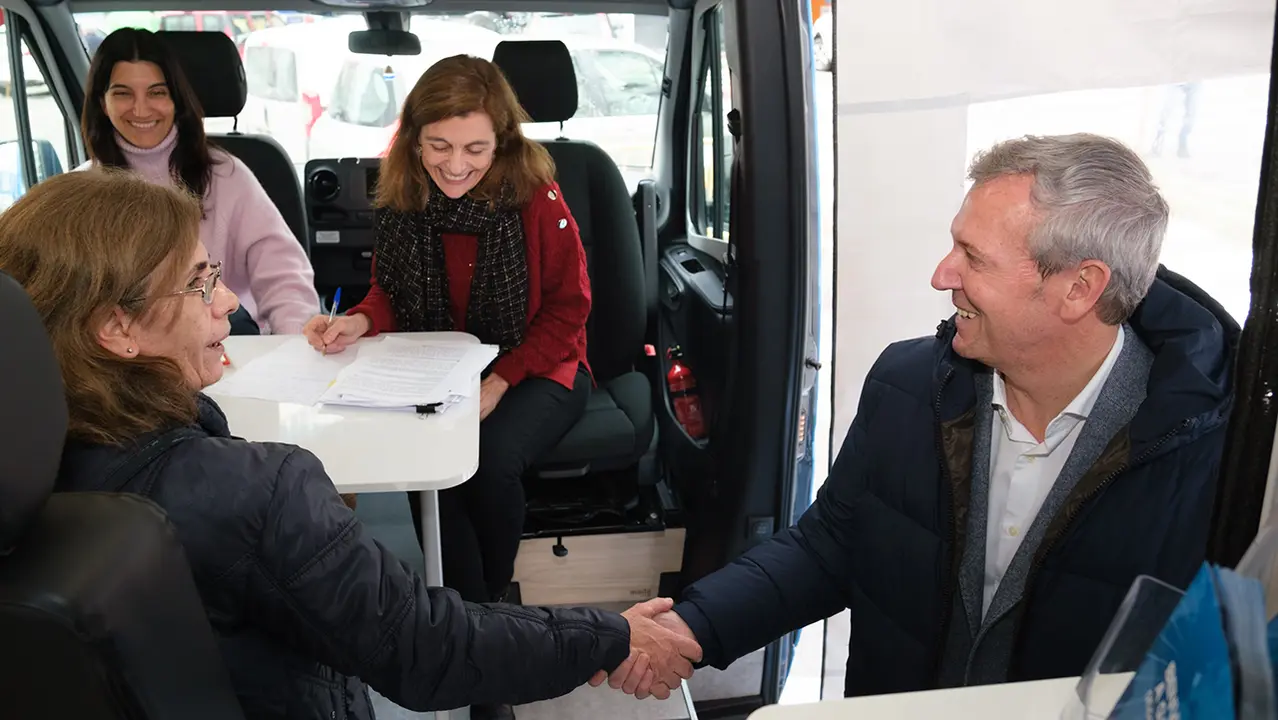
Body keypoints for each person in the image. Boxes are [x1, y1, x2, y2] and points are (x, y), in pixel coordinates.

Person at [0, 168, 701, 720]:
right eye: (198, 283)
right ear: (116, 329)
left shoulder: (29, 473)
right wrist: (612, 636)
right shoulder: (257, 492)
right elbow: (427, 648)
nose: (226, 304)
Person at [599, 133, 1239, 699]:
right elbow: (832, 547)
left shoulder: (1219, 455)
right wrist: (694, 626)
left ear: (1079, 288)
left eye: (973, 256)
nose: (941, 275)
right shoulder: (907, 386)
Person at [303, 53, 590, 636]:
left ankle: (486, 615)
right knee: (428, 468)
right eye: (439, 146)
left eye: (474, 149)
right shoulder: (404, 191)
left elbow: (569, 311)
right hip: (435, 366)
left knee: (487, 463)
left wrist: (501, 378)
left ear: (501, 141)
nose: (455, 166)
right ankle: (468, 618)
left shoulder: (539, 197)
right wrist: (358, 321)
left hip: (539, 366)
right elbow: (389, 293)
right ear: (414, 138)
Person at [80, 27, 318, 335]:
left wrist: (292, 346)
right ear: (102, 103)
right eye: (123, 93)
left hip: (227, 350)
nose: (141, 109)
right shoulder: (80, 191)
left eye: (157, 92)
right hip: (122, 362)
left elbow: (283, 277)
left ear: (177, 99)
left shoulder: (227, 175)